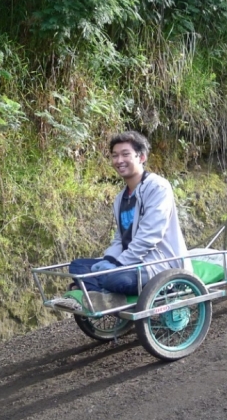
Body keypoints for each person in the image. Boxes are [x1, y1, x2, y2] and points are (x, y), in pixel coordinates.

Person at [66, 131, 190, 305]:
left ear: (141, 157)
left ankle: (99, 290)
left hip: (158, 264)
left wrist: (119, 264)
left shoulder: (157, 187)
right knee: (78, 266)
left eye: (125, 154)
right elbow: (120, 238)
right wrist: (109, 260)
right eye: (114, 155)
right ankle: (101, 296)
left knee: (116, 280)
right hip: (131, 263)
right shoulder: (120, 199)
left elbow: (150, 235)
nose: (119, 160)